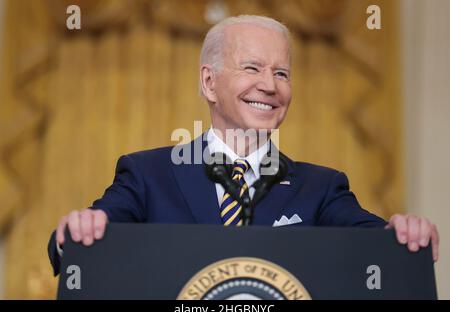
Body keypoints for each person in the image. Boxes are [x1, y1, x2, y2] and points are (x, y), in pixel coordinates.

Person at [48, 15, 439, 276]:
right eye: (252, 68)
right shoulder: (147, 176)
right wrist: (77, 231)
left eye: (281, 72)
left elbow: (379, 247)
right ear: (209, 82)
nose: (269, 85)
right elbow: (75, 245)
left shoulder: (321, 189)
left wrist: (402, 233)